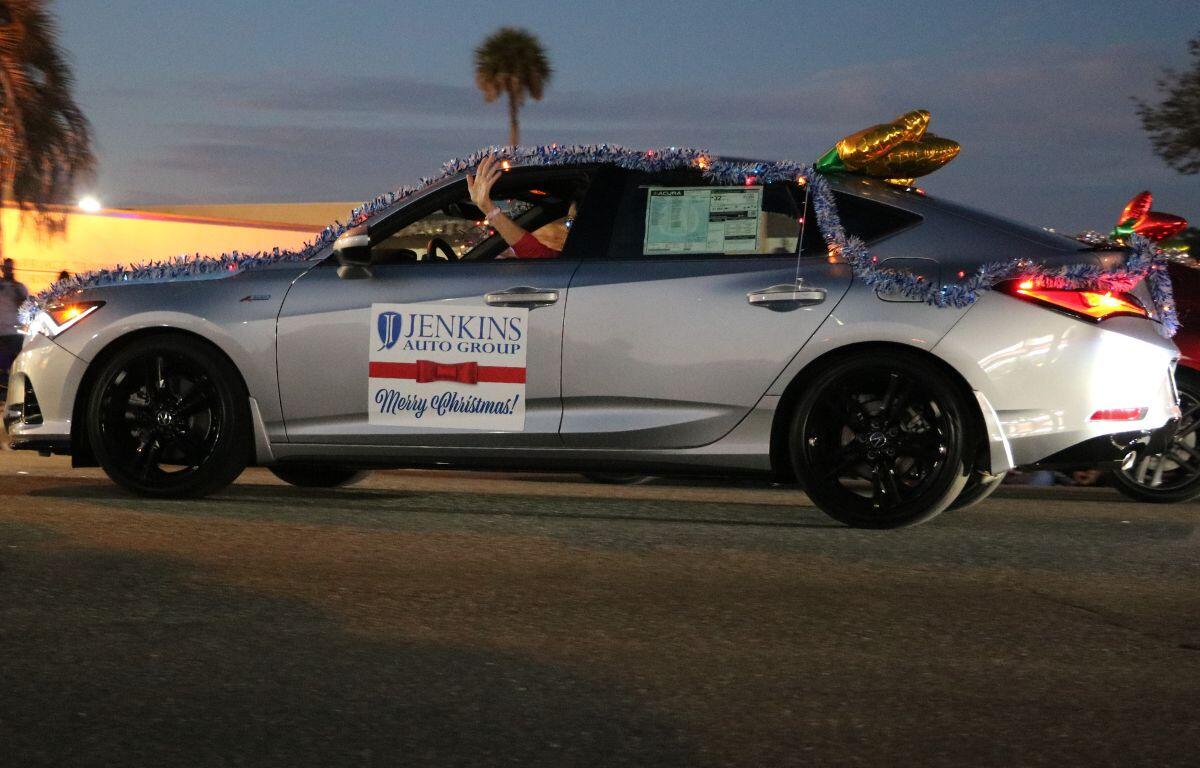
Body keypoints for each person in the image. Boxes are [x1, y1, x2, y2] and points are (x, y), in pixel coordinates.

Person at [467, 155, 574, 259]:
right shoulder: (576, 261)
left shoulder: (579, 262)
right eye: (568, 222)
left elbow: (536, 255)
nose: (568, 228)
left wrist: (487, 207)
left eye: (571, 221)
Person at [0, 258, 30, 389]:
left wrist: (14, 289)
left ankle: (15, 391)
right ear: (2, 269)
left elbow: (25, 306)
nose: (8, 271)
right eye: (5, 268)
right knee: (2, 367)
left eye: (10, 268)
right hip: (1, 333)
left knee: (16, 366)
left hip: (14, 333)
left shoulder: (19, 287)